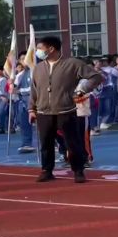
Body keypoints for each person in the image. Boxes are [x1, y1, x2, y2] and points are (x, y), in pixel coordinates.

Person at [29, 36, 102, 183]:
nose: (38, 52)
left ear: (51, 49)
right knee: (46, 143)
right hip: (43, 112)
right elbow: (34, 90)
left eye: (40, 49)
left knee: (73, 143)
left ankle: (78, 171)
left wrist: (82, 89)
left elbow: (95, 77)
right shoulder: (38, 68)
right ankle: (46, 170)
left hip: (66, 111)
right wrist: (31, 109)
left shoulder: (72, 64)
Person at [14, 51, 35, 153]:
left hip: (35, 101)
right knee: (24, 123)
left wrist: (20, 91)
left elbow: (33, 88)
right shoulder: (20, 75)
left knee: (43, 125)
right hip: (23, 102)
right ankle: (26, 144)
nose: (24, 61)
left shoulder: (34, 71)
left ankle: (54, 144)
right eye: (22, 59)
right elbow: (13, 88)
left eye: (25, 58)